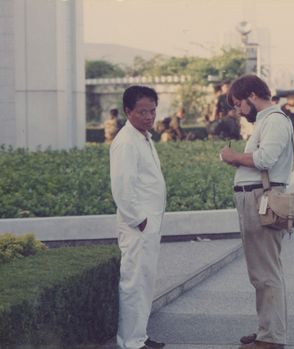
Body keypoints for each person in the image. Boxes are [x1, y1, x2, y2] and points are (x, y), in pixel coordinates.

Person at [220, 75, 293, 349]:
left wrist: (233, 157)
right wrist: (238, 160)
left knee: (265, 272)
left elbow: (264, 159)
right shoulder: (266, 120)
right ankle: (268, 331)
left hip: (261, 200)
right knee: (262, 271)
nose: (239, 110)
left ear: (252, 95)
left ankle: (271, 339)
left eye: (240, 104)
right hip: (255, 199)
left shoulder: (274, 120)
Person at [110, 86, 166, 349]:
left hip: (148, 225)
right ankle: (130, 342)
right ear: (127, 111)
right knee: (134, 283)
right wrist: (140, 220)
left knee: (144, 281)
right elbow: (123, 187)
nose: (149, 116)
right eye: (142, 111)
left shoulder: (143, 136)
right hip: (138, 226)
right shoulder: (125, 141)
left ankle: (139, 336)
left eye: (152, 111)